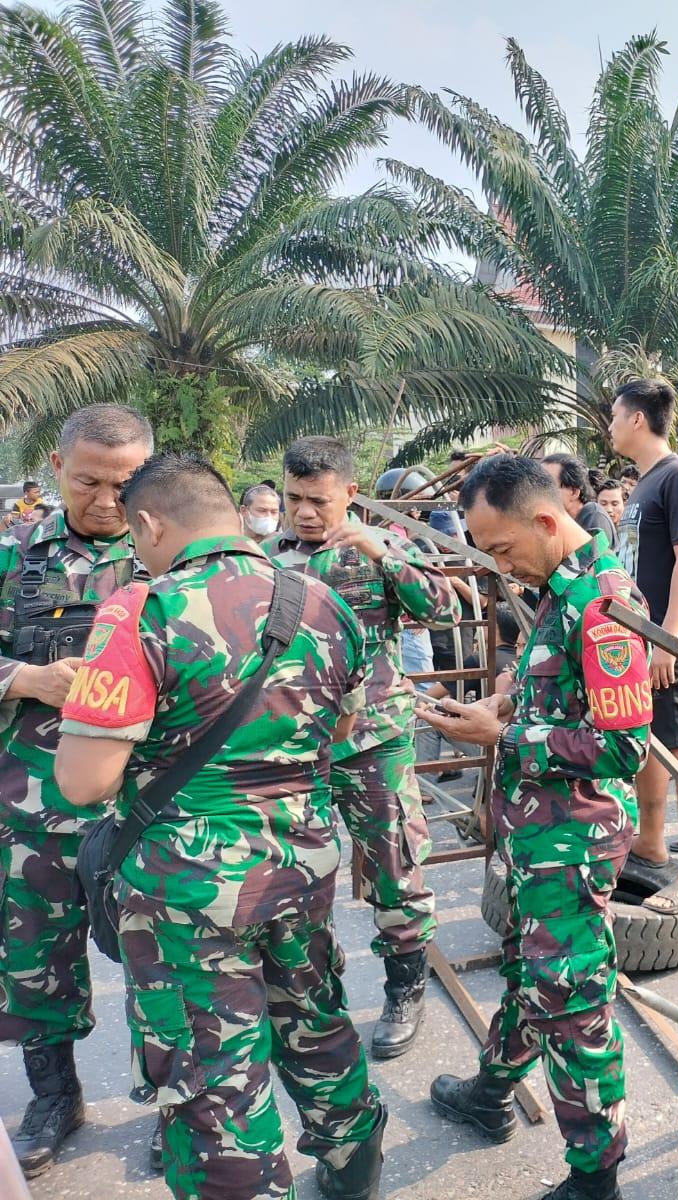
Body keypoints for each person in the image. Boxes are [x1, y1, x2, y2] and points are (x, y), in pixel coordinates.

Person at [52, 454, 387, 1200]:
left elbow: (84, 783)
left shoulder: (144, 610)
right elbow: (348, 725)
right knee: (313, 1013)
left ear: (149, 522)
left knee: (212, 1071)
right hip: (301, 862)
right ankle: (353, 1158)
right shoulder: (324, 601)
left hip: (188, 889)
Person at [418, 456, 644, 1200]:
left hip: (573, 840)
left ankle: (595, 1176)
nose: (497, 563)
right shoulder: (557, 588)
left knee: (572, 999)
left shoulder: (604, 603)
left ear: (547, 521)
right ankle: (493, 1091)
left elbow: (623, 746)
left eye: (502, 546)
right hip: (536, 832)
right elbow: (558, 695)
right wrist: (507, 706)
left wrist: (503, 739)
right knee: (531, 969)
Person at [267, 436, 461, 1058]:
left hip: (375, 738)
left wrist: (385, 555)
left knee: (393, 866)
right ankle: (317, 983)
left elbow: (446, 612)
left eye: (318, 500)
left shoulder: (387, 547)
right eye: (294, 498)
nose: (304, 512)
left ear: (350, 494)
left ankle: (406, 985)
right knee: (299, 870)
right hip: (298, 744)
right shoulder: (268, 559)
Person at [0, 404, 151, 1177]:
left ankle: (177, 1101)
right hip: (34, 812)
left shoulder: (172, 553)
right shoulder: (13, 558)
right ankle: (55, 1097)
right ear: (57, 468)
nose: (105, 500)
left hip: (148, 811)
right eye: (89, 481)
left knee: (168, 966)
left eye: (123, 484)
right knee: (35, 966)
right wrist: (26, 677)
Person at [609, 377, 678, 913]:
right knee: (651, 743)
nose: (612, 427)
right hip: (640, 636)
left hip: (668, 638)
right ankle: (649, 841)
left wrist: (666, 640)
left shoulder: (677, 477)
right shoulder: (642, 483)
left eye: (616, 416)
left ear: (638, 419)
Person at [543, 453, 617, 545]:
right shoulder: (560, 521)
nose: (538, 491)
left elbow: (591, 558)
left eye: (546, 485)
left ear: (574, 492)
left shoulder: (593, 515)